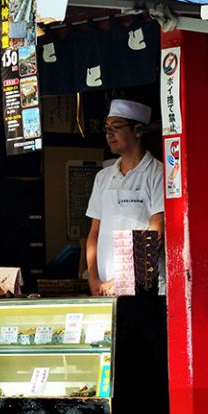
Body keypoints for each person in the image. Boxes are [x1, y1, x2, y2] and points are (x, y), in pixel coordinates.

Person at [85, 99, 164, 296]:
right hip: (104, 288)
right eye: (107, 128)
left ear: (138, 130)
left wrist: (123, 279)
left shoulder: (158, 173)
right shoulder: (103, 177)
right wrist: (93, 279)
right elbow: (94, 232)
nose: (109, 134)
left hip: (143, 288)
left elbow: (157, 233)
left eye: (116, 127)